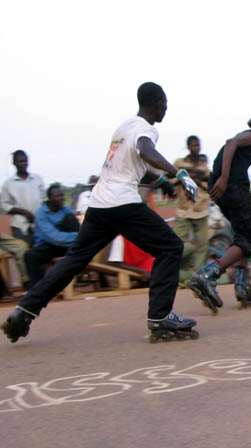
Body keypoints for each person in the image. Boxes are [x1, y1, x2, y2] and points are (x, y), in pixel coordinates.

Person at [1, 82, 201, 344]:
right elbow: (144, 150)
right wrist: (179, 174)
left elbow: (127, 165)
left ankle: (25, 310)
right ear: (157, 102)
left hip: (99, 204)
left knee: (74, 259)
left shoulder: (124, 127)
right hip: (123, 203)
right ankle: (160, 317)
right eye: (165, 104)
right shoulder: (146, 130)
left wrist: (162, 182)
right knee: (170, 247)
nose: (166, 109)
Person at [188, 110, 251, 312]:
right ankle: (207, 275)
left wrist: (222, 179)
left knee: (243, 235)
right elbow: (231, 143)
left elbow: (231, 144)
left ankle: (241, 284)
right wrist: (224, 178)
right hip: (232, 187)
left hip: (229, 187)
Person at [173, 135, 211, 285]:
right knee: (178, 243)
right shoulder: (179, 163)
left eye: (198, 145)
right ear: (188, 147)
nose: (196, 148)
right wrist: (186, 178)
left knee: (203, 245)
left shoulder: (204, 167)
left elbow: (209, 184)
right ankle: (179, 274)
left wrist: (198, 180)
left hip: (200, 209)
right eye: (193, 145)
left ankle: (198, 277)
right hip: (183, 209)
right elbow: (171, 177)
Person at [25, 183, 80, 286]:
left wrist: (79, 238)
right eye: (58, 196)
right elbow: (54, 237)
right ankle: (36, 289)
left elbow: (75, 226)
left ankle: (76, 274)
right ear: (50, 198)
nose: (62, 198)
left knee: (70, 218)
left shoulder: (66, 209)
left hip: (66, 245)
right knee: (30, 255)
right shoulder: (41, 213)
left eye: (62, 195)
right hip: (48, 245)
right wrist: (80, 237)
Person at [1, 150, 45, 245]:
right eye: (20, 161)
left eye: (25, 161)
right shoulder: (8, 183)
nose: (24, 163)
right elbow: (5, 205)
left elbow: (43, 201)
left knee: (39, 252)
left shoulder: (37, 179)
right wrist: (24, 212)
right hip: (19, 225)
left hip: (38, 223)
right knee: (23, 252)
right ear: (14, 163)